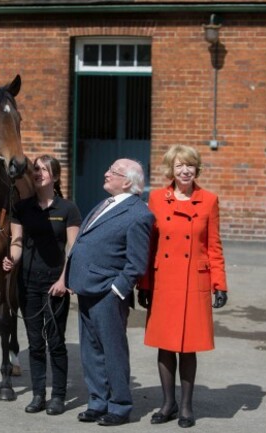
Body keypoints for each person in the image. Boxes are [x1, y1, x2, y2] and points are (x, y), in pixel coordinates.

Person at [137, 144, 228, 428]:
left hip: (194, 280)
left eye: (189, 165)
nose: (185, 170)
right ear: (171, 170)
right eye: (179, 166)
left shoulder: (209, 200)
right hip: (164, 280)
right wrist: (145, 284)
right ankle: (168, 404)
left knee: (189, 346)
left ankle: (186, 407)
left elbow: (213, 245)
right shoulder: (155, 199)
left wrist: (219, 284)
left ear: (196, 168)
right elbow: (149, 245)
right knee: (165, 345)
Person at [65, 159, 154, 426]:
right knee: (90, 350)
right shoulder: (107, 203)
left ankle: (120, 405)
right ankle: (98, 401)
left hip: (107, 291)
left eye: (112, 172)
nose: (105, 173)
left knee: (112, 350)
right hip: (87, 287)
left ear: (127, 181)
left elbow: (137, 262)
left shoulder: (139, 214)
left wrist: (117, 289)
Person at [2, 155, 82, 416]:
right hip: (28, 283)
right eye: (35, 169)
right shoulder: (21, 208)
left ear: (55, 177)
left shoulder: (68, 209)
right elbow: (16, 241)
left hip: (55, 284)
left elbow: (73, 248)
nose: (38, 173)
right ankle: (38, 394)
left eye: (44, 170)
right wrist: (11, 261)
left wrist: (64, 280)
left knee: (56, 341)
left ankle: (58, 395)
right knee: (35, 342)